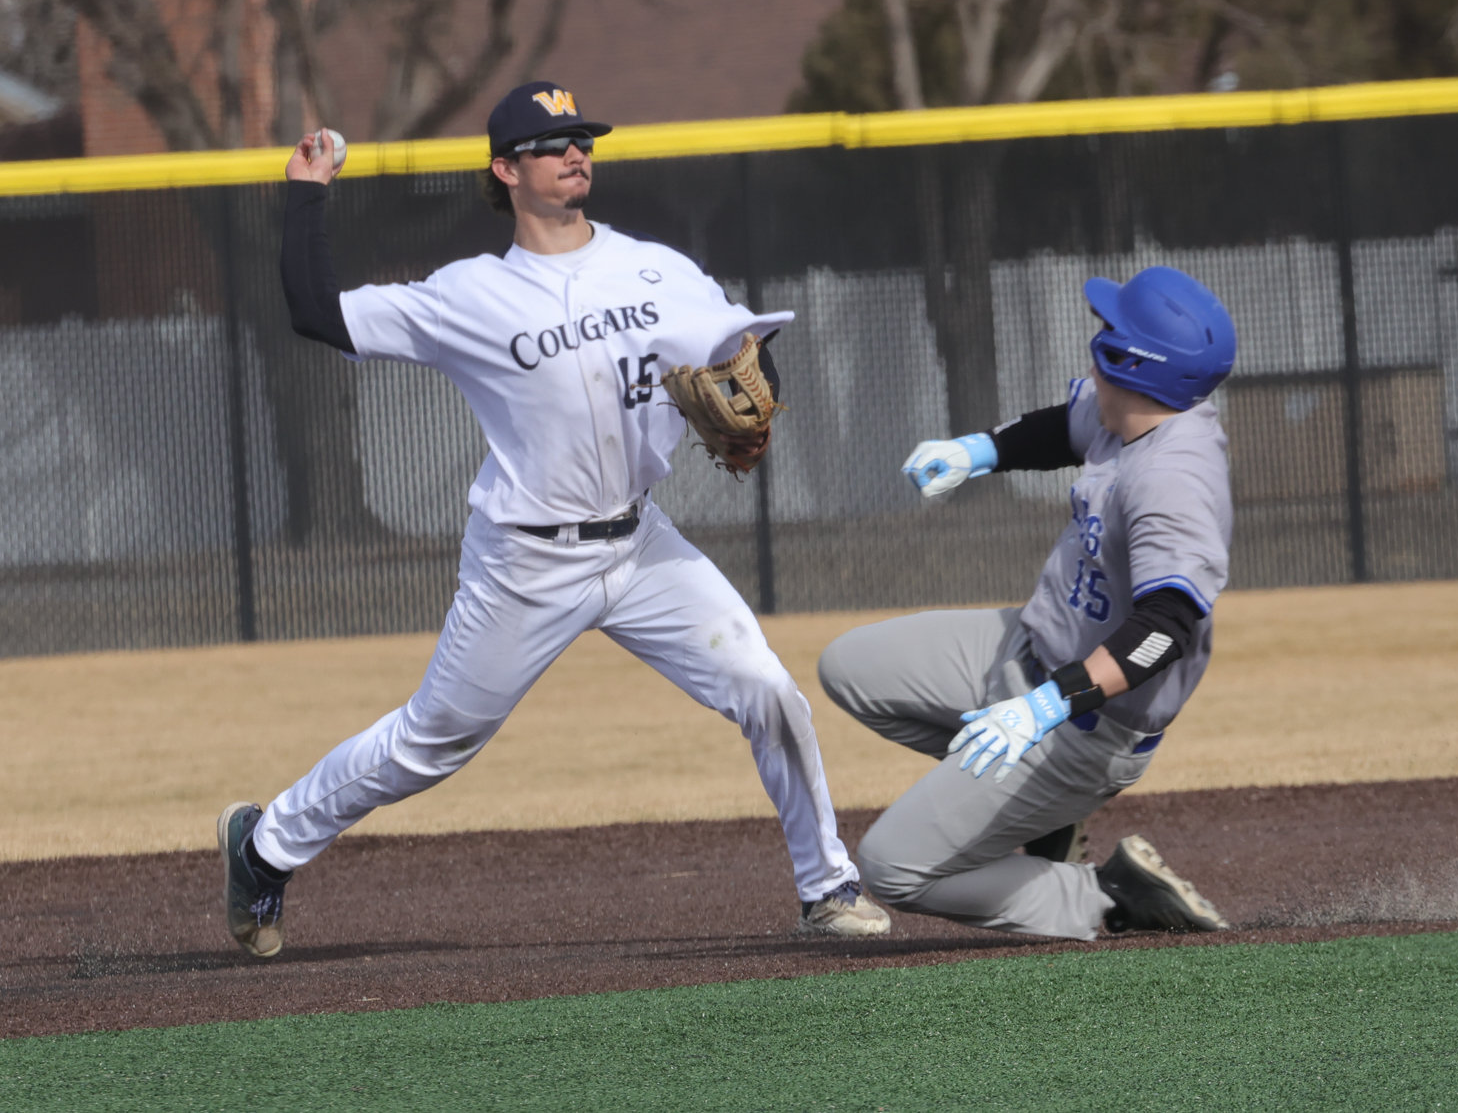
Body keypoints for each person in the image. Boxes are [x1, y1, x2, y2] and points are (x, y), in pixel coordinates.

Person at [217, 81, 890, 958]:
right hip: (526, 564)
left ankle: (827, 885)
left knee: (767, 689)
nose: (576, 153)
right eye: (552, 143)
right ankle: (265, 847)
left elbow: (744, 349)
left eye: (582, 138)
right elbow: (317, 313)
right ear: (506, 170)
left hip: (644, 544)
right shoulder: (471, 295)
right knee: (431, 744)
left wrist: (758, 417)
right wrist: (305, 194)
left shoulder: (656, 267)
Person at [818, 266, 1235, 942]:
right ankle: (1043, 819)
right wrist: (980, 451)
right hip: (1023, 646)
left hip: (1085, 726)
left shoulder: (1173, 479)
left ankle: (1105, 896)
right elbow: (1058, 430)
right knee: (846, 667)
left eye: (1111, 330)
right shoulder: (1130, 409)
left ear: (1130, 361)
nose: (1098, 335)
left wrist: (1045, 709)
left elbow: (1167, 628)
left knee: (892, 868)